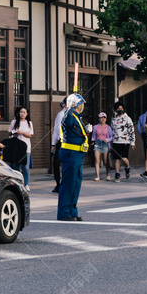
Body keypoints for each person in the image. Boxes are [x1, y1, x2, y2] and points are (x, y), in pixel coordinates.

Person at [57, 93, 89, 221]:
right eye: (82, 103)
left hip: (78, 155)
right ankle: (64, 212)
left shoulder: (77, 117)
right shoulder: (69, 115)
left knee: (76, 184)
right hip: (71, 154)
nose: (83, 106)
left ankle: (72, 211)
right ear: (77, 104)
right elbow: (68, 121)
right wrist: (70, 106)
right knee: (68, 184)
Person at [8, 106, 33, 186]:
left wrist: (22, 133)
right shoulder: (14, 122)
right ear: (18, 113)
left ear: (27, 114)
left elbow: (30, 135)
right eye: (21, 112)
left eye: (24, 112)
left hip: (26, 148)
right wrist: (14, 132)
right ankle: (18, 183)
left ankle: (26, 184)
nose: (22, 114)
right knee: (17, 167)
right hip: (16, 147)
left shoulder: (29, 123)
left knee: (26, 167)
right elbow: (10, 132)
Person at [110, 103, 135, 181]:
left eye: (121, 108)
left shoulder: (127, 118)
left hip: (125, 141)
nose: (119, 110)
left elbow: (131, 130)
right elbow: (112, 130)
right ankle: (117, 175)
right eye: (118, 108)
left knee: (124, 158)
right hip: (116, 141)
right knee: (117, 159)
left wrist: (132, 142)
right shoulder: (113, 119)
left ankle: (127, 168)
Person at [50, 99, 68, 193]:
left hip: (67, 143)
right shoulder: (61, 114)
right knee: (57, 163)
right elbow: (57, 129)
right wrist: (53, 143)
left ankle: (62, 184)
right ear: (64, 104)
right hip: (62, 142)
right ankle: (58, 184)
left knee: (62, 164)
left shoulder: (71, 114)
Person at [92, 113, 114, 181]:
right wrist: (92, 141)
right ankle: (97, 176)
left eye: (104, 118)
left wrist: (107, 140)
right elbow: (93, 136)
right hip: (97, 143)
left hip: (105, 144)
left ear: (106, 119)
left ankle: (107, 174)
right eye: (101, 117)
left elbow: (112, 137)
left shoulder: (108, 127)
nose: (103, 119)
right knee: (97, 159)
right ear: (99, 119)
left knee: (105, 161)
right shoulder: (95, 127)